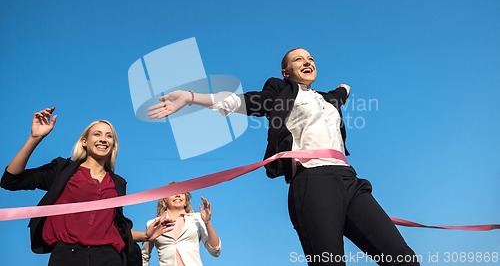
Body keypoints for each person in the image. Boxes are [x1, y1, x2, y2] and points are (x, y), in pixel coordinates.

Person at [147, 48, 420, 266]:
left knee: (402, 258)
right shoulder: (281, 93)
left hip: (349, 180)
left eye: (310, 58)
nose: (307, 61)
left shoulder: (328, 99)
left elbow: (341, 93)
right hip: (313, 182)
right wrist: (191, 97)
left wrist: (345, 89)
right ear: (286, 72)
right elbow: (242, 101)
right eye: (298, 59)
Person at [0, 107, 173, 266]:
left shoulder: (117, 183)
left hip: (109, 256)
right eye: (97, 134)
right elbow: (10, 180)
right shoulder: (62, 170)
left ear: (113, 145)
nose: (103, 139)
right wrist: (34, 138)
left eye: (109, 136)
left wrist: (145, 236)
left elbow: (111, 228)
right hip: (67, 254)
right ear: (84, 141)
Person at [141, 187, 221, 266]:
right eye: (172, 192)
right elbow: (144, 256)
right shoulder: (153, 224)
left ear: (186, 201)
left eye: (181, 192)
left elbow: (215, 250)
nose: (178, 195)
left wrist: (207, 222)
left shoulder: (196, 218)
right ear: (164, 200)